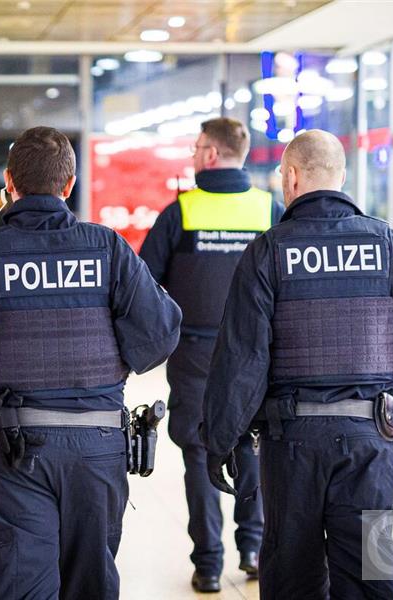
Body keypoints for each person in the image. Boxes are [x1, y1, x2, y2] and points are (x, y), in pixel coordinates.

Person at [0, 126, 182, 600]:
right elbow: (157, 338)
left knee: (21, 585)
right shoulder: (108, 248)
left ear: (9, 183)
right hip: (98, 448)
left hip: (15, 450)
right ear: (69, 184)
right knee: (91, 585)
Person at [201, 129, 393, 599]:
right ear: (341, 177)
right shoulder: (388, 244)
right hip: (371, 443)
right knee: (371, 574)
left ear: (293, 177)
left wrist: (221, 439)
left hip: (292, 444)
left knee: (292, 575)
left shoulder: (269, 252)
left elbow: (242, 359)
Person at [139, 117, 282, 592]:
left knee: (199, 455)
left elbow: (143, 286)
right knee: (253, 445)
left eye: (197, 148)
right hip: (258, 355)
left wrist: (167, 334)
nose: (193, 155)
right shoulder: (270, 210)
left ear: (213, 155)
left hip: (196, 353)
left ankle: (208, 563)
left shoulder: (180, 213)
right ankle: (255, 548)